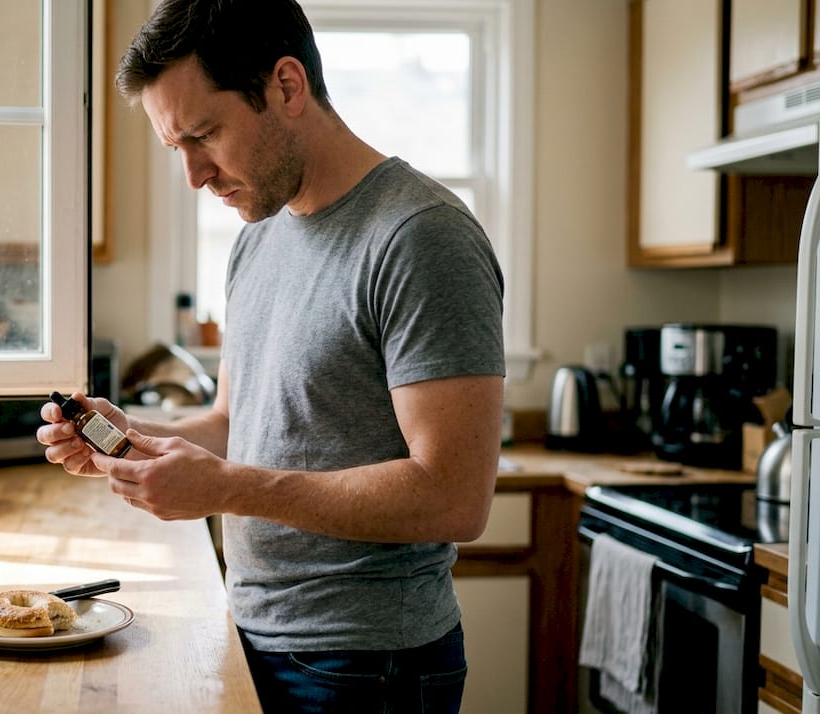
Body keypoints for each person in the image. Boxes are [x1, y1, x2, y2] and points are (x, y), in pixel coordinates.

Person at [38, 1, 505, 711]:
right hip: (254, 633)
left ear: (287, 86)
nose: (195, 174)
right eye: (178, 149)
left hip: (367, 665)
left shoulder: (420, 238)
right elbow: (238, 423)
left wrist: (226, 488)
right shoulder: (257, 238)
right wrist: (132, 436)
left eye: (205, 135)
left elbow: (453, 497)